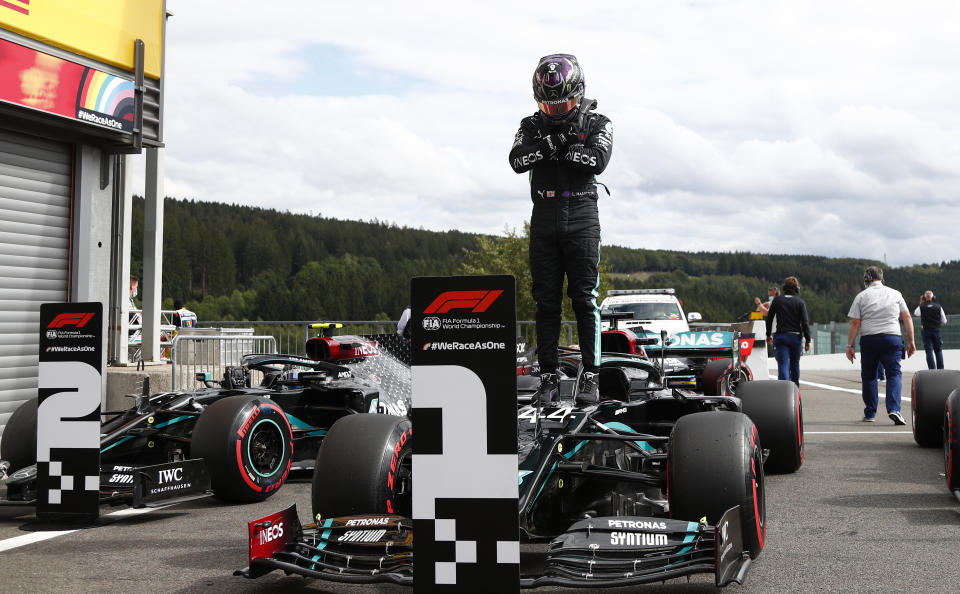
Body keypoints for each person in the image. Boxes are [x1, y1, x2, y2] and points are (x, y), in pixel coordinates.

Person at [509, 53, 613, 405]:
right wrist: (559, 143)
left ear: (578, 92)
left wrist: (553, 150)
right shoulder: (529, 124)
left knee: (585, 300)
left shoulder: (599, 121)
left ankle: (591, 377)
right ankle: (549, 377)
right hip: (544, 217)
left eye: (562, 104)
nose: (554, 111)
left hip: (582, 216)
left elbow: (596, 161)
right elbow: (517, 161)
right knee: (545, 302)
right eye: (548, 106)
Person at [845, 266, 916, 424]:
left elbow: (856, 322)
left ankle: (870, 413)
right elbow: (907, 317)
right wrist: (911, 341)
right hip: (892, 338)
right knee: (894, 374)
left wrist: (849, 345)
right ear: (881, 278)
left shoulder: (861, 296)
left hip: (869, 339)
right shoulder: (896, 294)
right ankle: (894, 409)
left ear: (867, 279)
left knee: (869, 376)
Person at [765, 277, 811, 386]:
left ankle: (784, 389)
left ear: (784, 288)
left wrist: (768, 334)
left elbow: (769, 318)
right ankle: (795, 390)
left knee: (783, 364)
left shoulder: (777, 300)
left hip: (781, 337)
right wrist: (808, 340)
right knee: (795, 364)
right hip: (795, 338)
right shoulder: (800, 302)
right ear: (797, 289)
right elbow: (805, 322)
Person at [914, 290, 947, 370]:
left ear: (924, 298)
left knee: (929, 351)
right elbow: (944, 321)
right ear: (933, 297)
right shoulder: (938, 306)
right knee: (938, 351)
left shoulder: (922, 306)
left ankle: (932, 370)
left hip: (926, 331)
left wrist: (921, 302)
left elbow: (916, 313)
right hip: (936, 330)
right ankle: (940, 369)